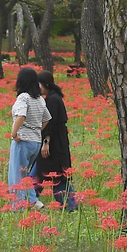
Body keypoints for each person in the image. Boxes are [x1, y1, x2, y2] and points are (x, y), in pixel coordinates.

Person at [8, 67, 50, 209]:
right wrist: (36, 130)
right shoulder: (39, 99)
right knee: (25, 173)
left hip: (23, 141)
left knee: (17, 174)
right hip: (36, 142)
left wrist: (14, 133)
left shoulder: (23, 98)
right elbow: (46, 119)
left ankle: (21, 204)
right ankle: (31, 200)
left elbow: (21, 115)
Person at [36, 70, 76, 211]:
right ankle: (29, 198)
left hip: (54, 142)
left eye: (38, 85)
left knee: (54, 174)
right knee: (51, 173)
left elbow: (50, 123)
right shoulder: (54, 97)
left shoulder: (52, 99)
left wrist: (46, 142)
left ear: (45, 84)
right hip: (58, 140)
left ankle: (69, 205)